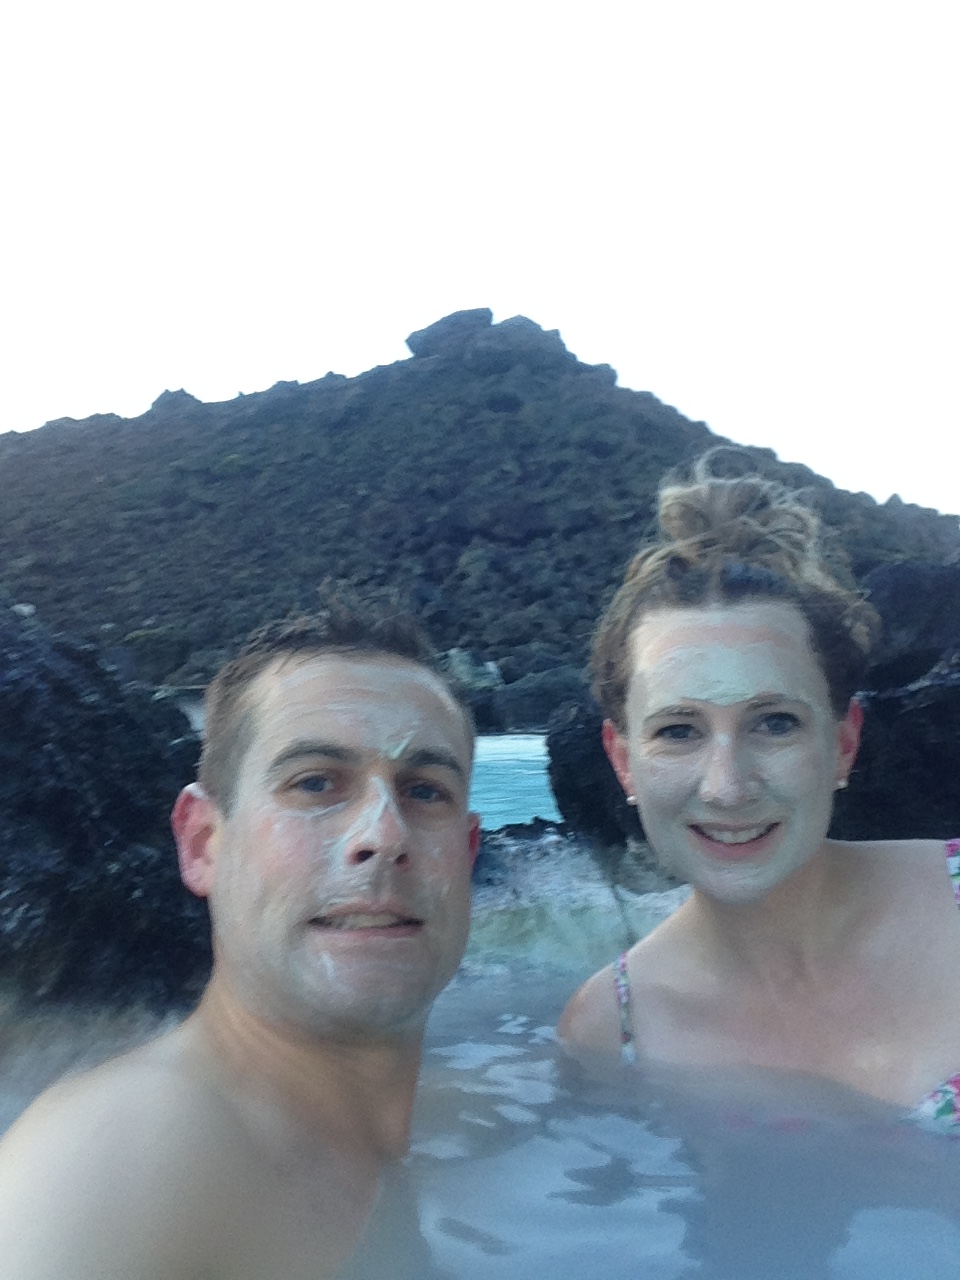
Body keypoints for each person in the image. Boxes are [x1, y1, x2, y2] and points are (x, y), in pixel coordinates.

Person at [0, 600, 480, 1278]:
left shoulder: (451, 1127)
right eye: (316, 783)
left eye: (425, 791)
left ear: (467, 854)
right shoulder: (113, 1165)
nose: (383, 834)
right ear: (203, 844)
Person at [559, 454, 960, 1125]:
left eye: (774, 723)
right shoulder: (610, 1033)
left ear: (844, 742)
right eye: (679, 730)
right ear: (623, 762)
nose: (728, 787)